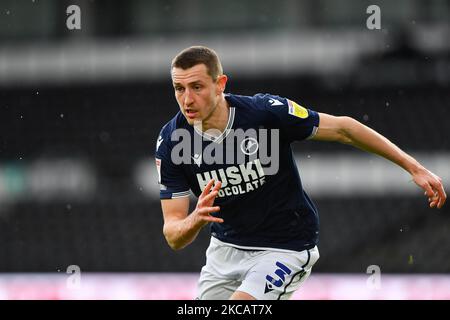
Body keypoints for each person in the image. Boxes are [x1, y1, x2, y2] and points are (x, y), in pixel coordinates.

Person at [155, 46, 446, 300]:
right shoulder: (171, 142)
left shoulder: (265, 113)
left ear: (220, 84)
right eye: (179, 89)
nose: (187, 99)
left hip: (284, 247)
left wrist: (414, 167)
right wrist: (194, 220)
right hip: (225, 249)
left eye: (197, 87)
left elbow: (344, 128)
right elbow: (173, 235)